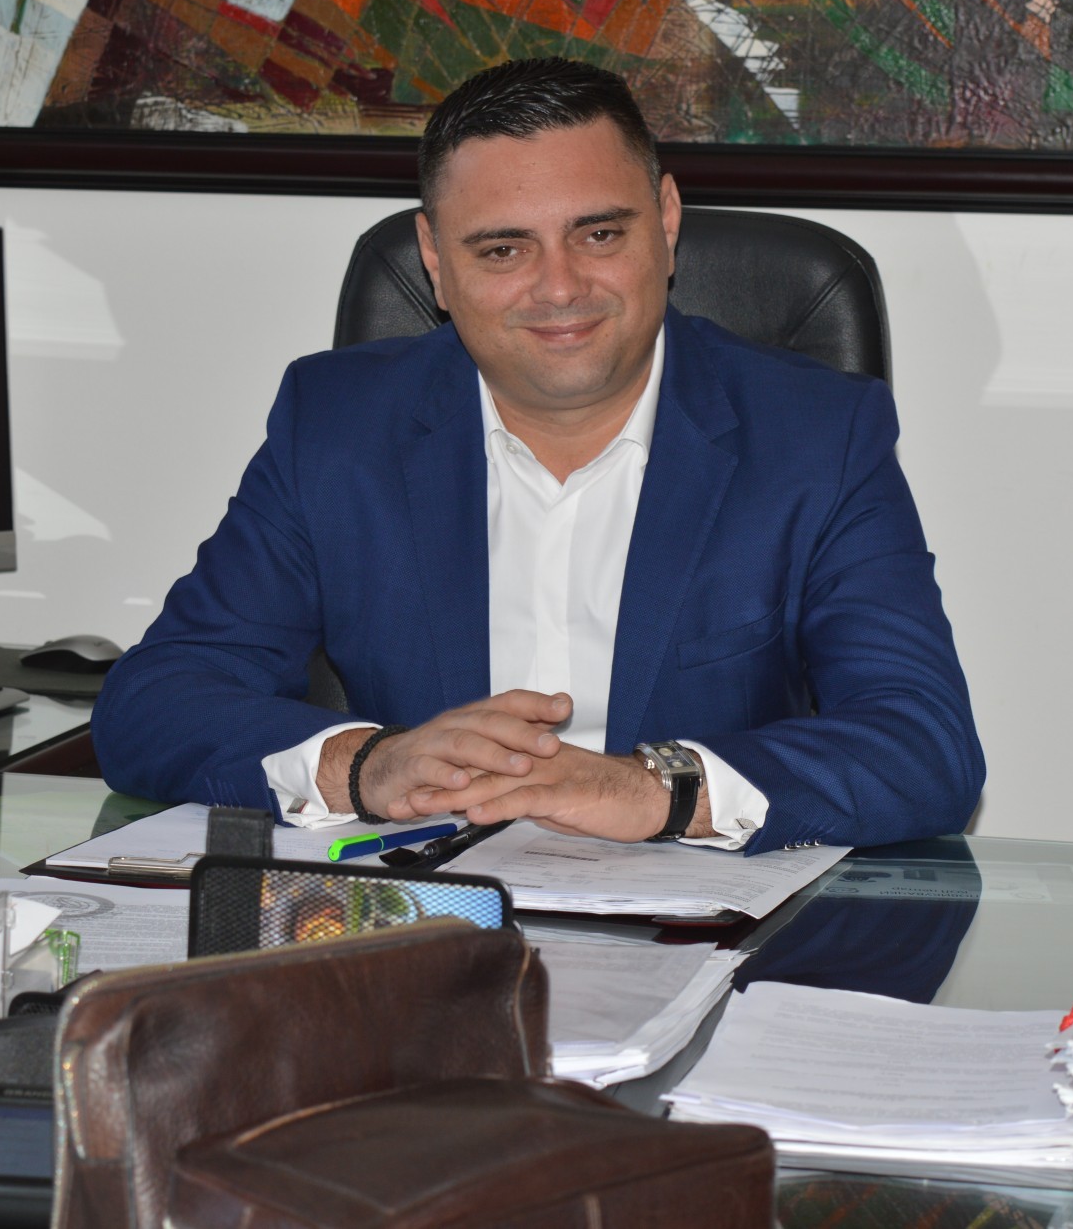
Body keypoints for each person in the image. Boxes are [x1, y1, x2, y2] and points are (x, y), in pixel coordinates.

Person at [91, 58, 983, 853]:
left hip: (700, 934)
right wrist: (366, 765)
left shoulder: (817, 436)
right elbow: (155, 702)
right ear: (434, 259)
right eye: (503, 249)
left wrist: (652, 790)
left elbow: (924, 747)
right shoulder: (337, 424)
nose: (560, 288)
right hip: (422, 929)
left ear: (667, 221)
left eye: (600, 235)